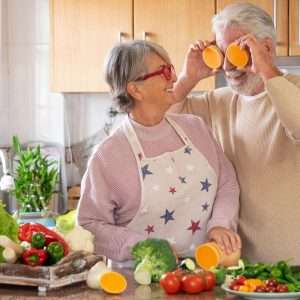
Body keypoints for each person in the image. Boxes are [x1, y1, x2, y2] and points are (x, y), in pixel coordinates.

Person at [77, 40, 241, 263]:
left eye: (171, 69)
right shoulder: (108, 156)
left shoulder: (196, 128)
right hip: (141, 282)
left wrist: (221, 224)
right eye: (164, 71)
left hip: (206, 275)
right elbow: (89, 225)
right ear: (136, 89)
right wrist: (141, 246)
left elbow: (227, 183)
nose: (173, 77)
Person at [172, 3, 300, 264]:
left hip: (294, 265)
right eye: (222, 52)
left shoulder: (292, 90)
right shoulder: (219, 102)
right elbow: (160, 119)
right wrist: (187, 78)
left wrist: (266, 70)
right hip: (239, 266)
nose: (228, 65)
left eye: (238, 51)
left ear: (266, 47)